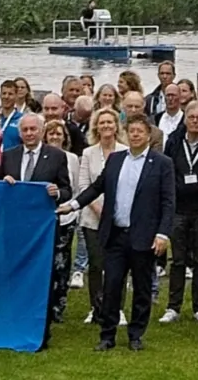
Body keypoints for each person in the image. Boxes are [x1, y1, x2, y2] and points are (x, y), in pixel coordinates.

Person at [61, 114, 175, 352]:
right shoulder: (115, 159)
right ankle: (107, 334)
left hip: (144, 235)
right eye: (131, 131)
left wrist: (163, 234)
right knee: (111, 285)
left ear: (148, 135)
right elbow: (96, 187)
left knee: (142, 288)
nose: (135, 135)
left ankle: (136, 334)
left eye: (139, 131)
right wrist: (73, 205)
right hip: (115, 234)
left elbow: (168, 202)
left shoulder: (162, 163)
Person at [1, 113, 73, 344]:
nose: (30, 134)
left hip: (42, 230)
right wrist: (4, 184)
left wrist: (58, 193)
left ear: (42, 131)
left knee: (42, 274)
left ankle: (41, 323)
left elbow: (67, 190)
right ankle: (14, 318)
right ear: (20, 133)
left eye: (34, 129)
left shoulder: (56, 156)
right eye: (26, 130)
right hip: (15, 227)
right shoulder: (8, 157)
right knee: (15, 272)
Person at [160, 102, 198, 324]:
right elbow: (167, 170)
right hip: (178, 208)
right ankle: (173, 307)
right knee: (177, 259)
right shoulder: (175, 141)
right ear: (185, 118)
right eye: (191, 117)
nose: (195, 121)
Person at [75, 109, 129, 322]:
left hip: (120, 219)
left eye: (110, 122)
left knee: (119, 265)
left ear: (116, 126)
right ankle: (96, 308)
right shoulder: (88, 153)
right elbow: (83, 185)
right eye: (102, 122)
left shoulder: (126, 152)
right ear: (96, 127)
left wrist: (113, 214)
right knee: (96, 265)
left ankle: (118, 308)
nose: (106, 126)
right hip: (92, 218)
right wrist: (99, 210)